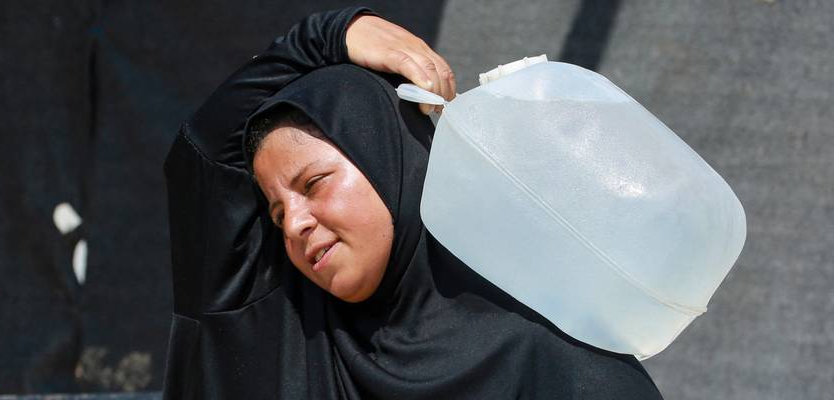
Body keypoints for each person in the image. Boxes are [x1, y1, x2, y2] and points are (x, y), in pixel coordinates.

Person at [162, 7, 662, 399]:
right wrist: (325, 37)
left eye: (313, 185)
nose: (293, 224)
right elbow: (201, 158)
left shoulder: (553, 362)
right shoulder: (273, 329)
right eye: (275, 213)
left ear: (392, 163)